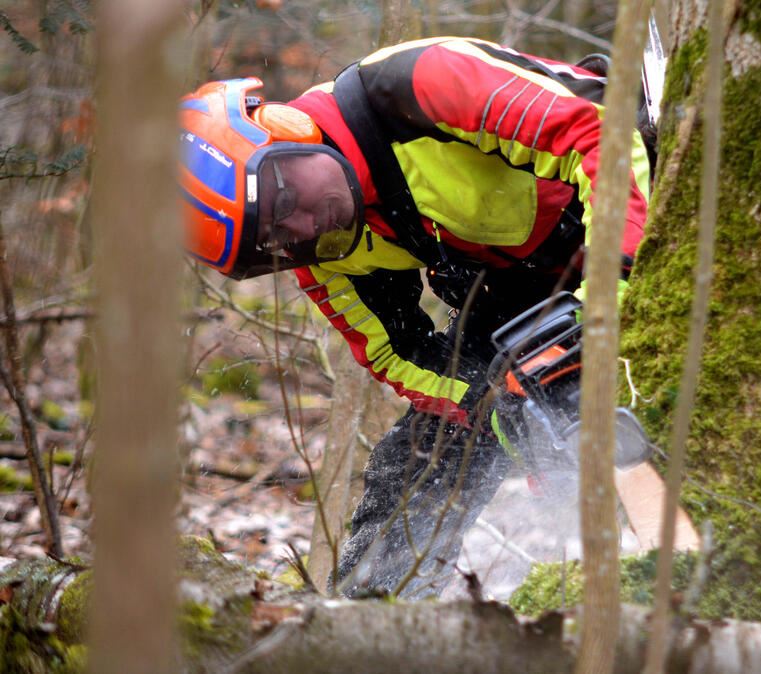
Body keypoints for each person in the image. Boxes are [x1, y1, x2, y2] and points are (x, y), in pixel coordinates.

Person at [178, 36, 653, 597]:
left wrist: (605, 311)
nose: (302, 228)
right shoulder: (325, 253)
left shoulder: (416, 84)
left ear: (283, 128)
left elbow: (597, 129)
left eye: (284, 202)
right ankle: (376, 625)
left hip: (635, 213)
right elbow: (394, 351)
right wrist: (497, 402)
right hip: (522, 295)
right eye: (273, 245)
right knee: (414, 471)